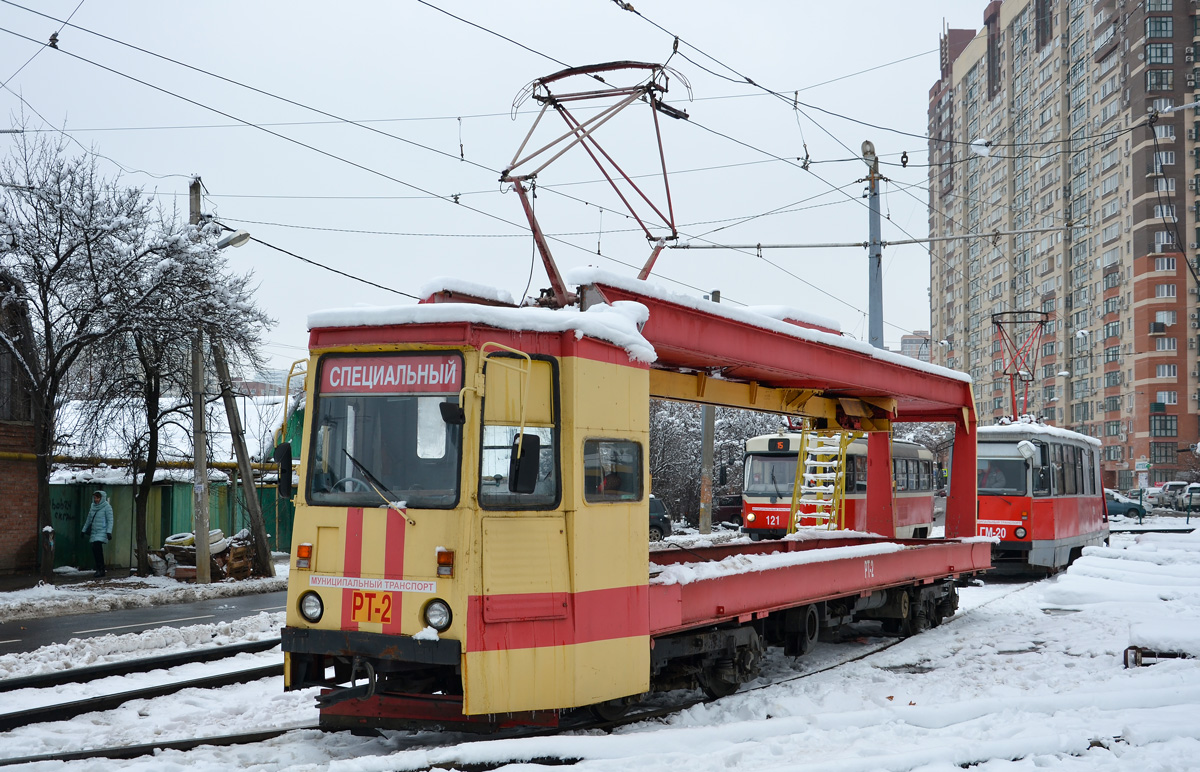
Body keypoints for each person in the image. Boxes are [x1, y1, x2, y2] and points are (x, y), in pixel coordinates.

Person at [82, 490, 113, 578]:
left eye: (97, 498)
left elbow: (110, 520)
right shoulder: (93, 506)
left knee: (97, 548)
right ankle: (99, 569)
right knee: (95, 550)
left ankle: (101, 569)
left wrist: (108, 532)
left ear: (102, 498)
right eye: (95, 498)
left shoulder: (107, 507)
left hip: (102, 531)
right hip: (94, 531)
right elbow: (89, 519)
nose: (96, 500)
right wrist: (83, 530)